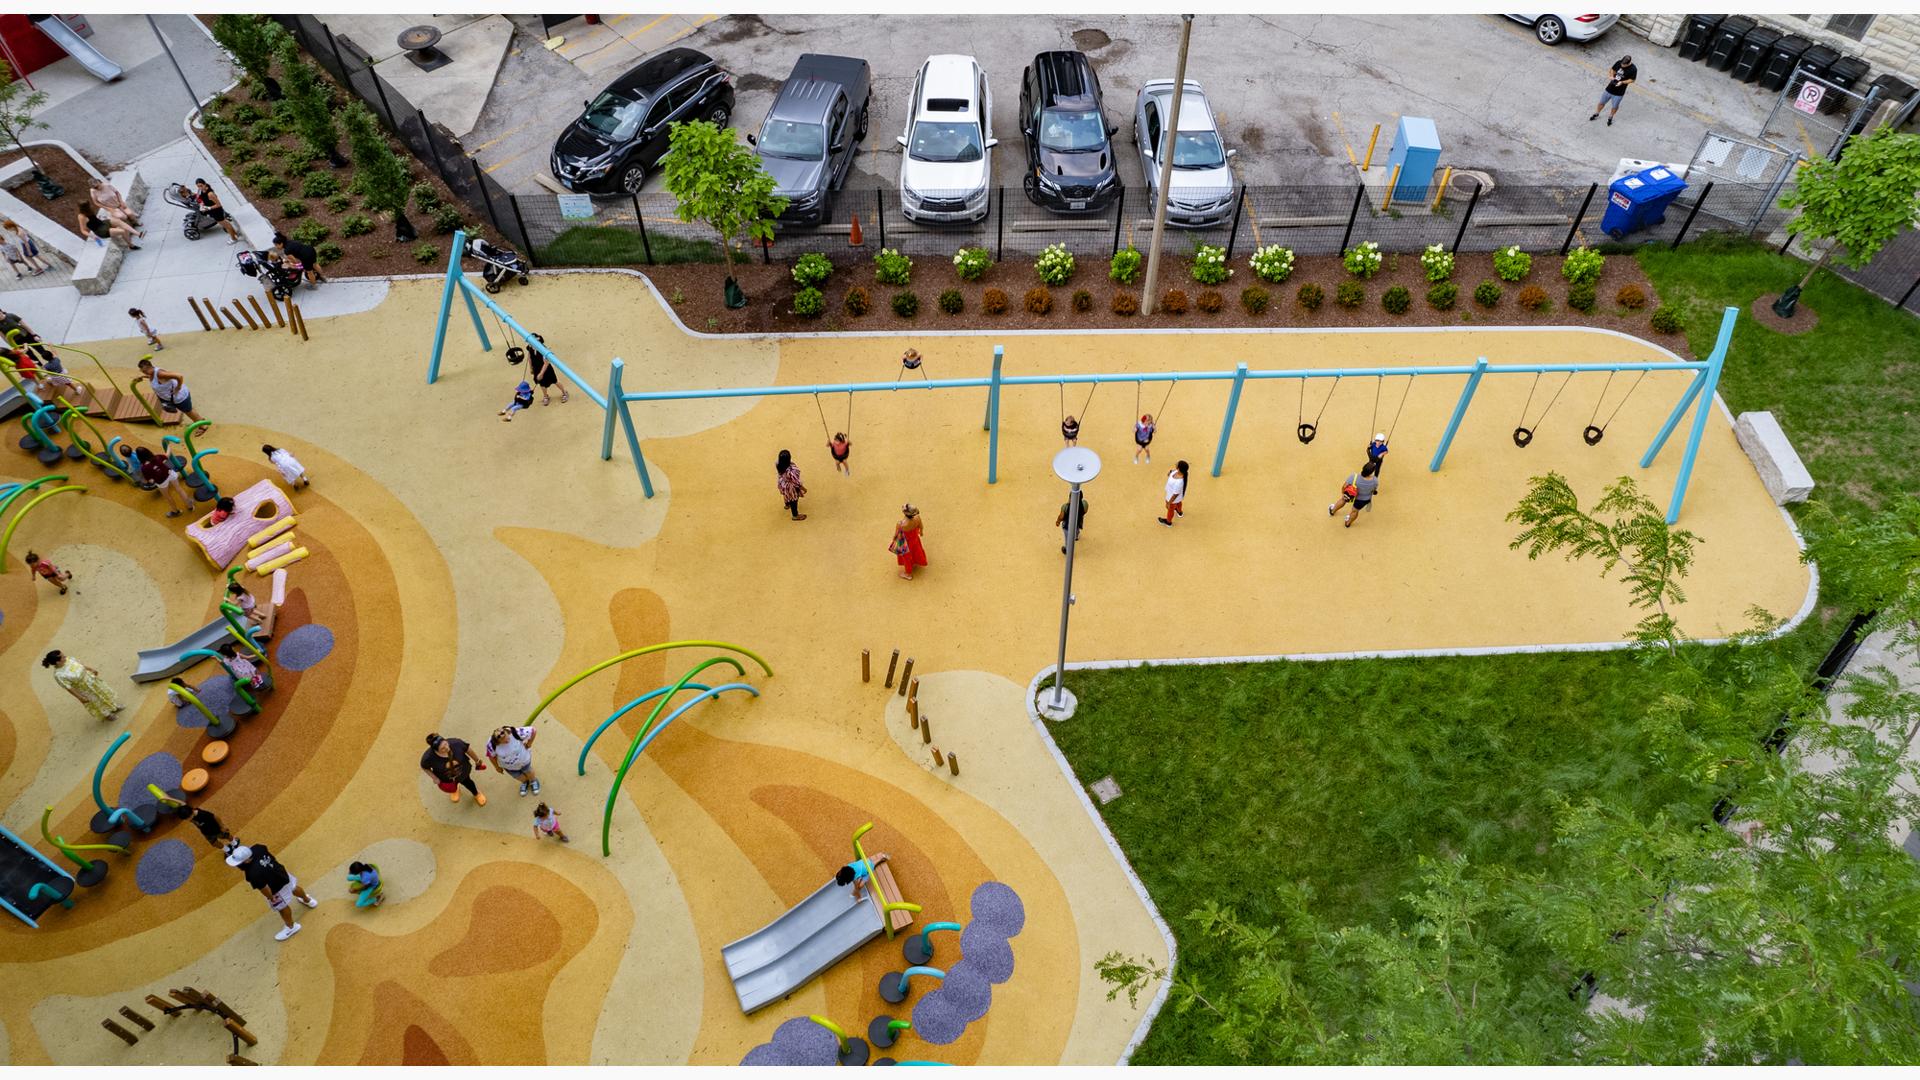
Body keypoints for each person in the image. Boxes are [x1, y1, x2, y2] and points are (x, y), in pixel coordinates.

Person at [226, 843, 318, 941]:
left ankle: (291, 927)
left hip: (275, 888)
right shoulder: (258, 848)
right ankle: (308, 900)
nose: (237, 866)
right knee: (293, 887)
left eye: (239, 863)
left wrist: (271, 897)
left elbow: (264, 888)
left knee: (282, 907)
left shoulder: (253, 874)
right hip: (281, 874)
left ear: (248, 860)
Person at [42, 649, 122, 720]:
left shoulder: (69, 659)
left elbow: (81, 665)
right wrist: (80, 698)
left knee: (103, 692)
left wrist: (91, 669)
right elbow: (69, 688)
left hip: (91, 680)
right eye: (63, 657)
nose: (65, 656)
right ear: (58, 662)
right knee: (96, 701)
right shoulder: (59, 675)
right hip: (84, 689)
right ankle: (107, 714)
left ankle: (114, 706)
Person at [420, 732, 487, 805]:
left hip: (462, 773)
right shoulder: (428, 758)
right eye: (442, 748)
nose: (447, 748)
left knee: (468, 783)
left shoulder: (456, 743)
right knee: (451, 787)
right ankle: (455, 790)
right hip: (445, 778)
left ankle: (476, 793)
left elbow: (468, 750)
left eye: (445, 744)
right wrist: (435, 778)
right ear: (436, 750)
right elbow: (424, 767)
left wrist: (477, 760)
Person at [138, 358, 203, 423]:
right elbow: (153, 378)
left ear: (150, 367)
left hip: (180, 397)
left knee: (189, 412)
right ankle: (199, 419)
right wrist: (143, 376)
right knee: (189, 410)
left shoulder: (160, 374)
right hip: (175, 398)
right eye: (143, 372)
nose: (145, 373)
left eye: (145, 371)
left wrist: (178, 387)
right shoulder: (152, 373)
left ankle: (202, 426)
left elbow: (179, 376)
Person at [486, 725, 542, 797]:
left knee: (529, 771)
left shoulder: (516, 732)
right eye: (503, 741)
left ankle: (533, 781)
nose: (507, 741)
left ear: (507, 732)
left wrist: (529, 744)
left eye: (507, 737)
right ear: (497, 742)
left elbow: (533, 730)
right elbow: (491, 756)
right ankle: (525, 782)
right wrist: (497, 767)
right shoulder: (491, 744)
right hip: (509, 767)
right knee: (518, 776)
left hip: (523, 761)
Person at [136, 446, 193, 517]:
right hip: (170, 474)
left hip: (161, 481)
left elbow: (150, 480)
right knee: (179, 489)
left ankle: (175, 511)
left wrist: (151, 480)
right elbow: (167, 455)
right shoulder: (157, 457)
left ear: (139, 457)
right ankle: (190, 505)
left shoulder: (144, 468)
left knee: (167, 496)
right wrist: (168, 446)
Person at [1329, 459, 1382, 528]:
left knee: (1343, 500)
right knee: (1355, 511)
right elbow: (1373, 490)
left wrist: (1343, 493)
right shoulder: (1375, 480)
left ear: (1363, 468)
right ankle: (1348, 523)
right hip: (1363, 500)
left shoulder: (1354, 477)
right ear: (1371, 472)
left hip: (1351, 495)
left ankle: (1332, 511)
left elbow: (1344, 486)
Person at [1591, 55, 1637, 127]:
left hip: (1619, 93)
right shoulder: (1619, 62)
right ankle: (1597, 113)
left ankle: (1610, 117)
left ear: (1629, 63)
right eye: (1621, 64)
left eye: (1624, 65)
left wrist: (1622, 82)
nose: (1622, 66)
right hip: (1609, 88)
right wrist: (1611, 76)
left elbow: (1632, 80)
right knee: (1601, 102)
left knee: (1614, 106)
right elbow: (1612, 69)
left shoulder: (1633, 69)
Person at [193, 178, 242, 244]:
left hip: (217, 211)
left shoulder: (210, 194)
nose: (200, 188)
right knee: (226, 224)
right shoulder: (201, 191)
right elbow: (202, 199)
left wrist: (208, 208)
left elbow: (219, 205)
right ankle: (235, 234)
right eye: (198, 186)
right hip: (212, 211)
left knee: (226, 225)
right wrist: (202, 204)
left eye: (201, 186)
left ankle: (234, 239)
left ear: (205, 184)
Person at [76, 201, 140, 249]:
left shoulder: (89, 210)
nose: (89, 206)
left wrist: (101, 218)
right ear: (84, 208)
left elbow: (94, 219)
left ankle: (137, 233)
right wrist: (93, 237)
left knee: (119, 222)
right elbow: (83, 230)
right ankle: (131, 245)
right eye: (88, 205)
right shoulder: (81, 216)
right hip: (100, 230)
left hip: (103, 223)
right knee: (122, 231)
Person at [892, 504, 927, 581]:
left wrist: (894, 541)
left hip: (906, 543)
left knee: (906, 558)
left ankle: (908, 574)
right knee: (916, 551)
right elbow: (921, 527)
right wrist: (921, 532)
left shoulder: (900, 524)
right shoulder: (917, 518)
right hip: (915, 539)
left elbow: (896, 535)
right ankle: (915, 562)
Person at [776, 449, 807, 521]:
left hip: (783, 483)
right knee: (794, 500)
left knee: (785, 494)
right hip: (791, 488)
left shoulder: (778, 464)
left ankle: (787, 504)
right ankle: (795, 515)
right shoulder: (790, 472)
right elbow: (796, 483)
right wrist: (804, 489)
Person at [1158, 460, 1189, 528]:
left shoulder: (1179, 482)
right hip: (1175, 496)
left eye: (1176, 464)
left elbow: (1175, 494)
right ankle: (1180, 512)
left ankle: (1168, 522)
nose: (1175, 464)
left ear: (1179, 468)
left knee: (1170, 509)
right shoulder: (1176, 471)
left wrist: (1169, 503)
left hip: (1172, 497)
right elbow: (1169, 475)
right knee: (1178, 503)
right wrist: (1170, 473)